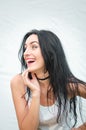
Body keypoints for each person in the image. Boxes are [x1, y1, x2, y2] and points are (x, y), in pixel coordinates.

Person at [10, 29, 86, 130]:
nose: (26, 53)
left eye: (34, 46)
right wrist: (35, 92)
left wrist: (80, 129)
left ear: (50, 52)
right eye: (25, 48)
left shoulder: (69, 85)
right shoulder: (18, 82)